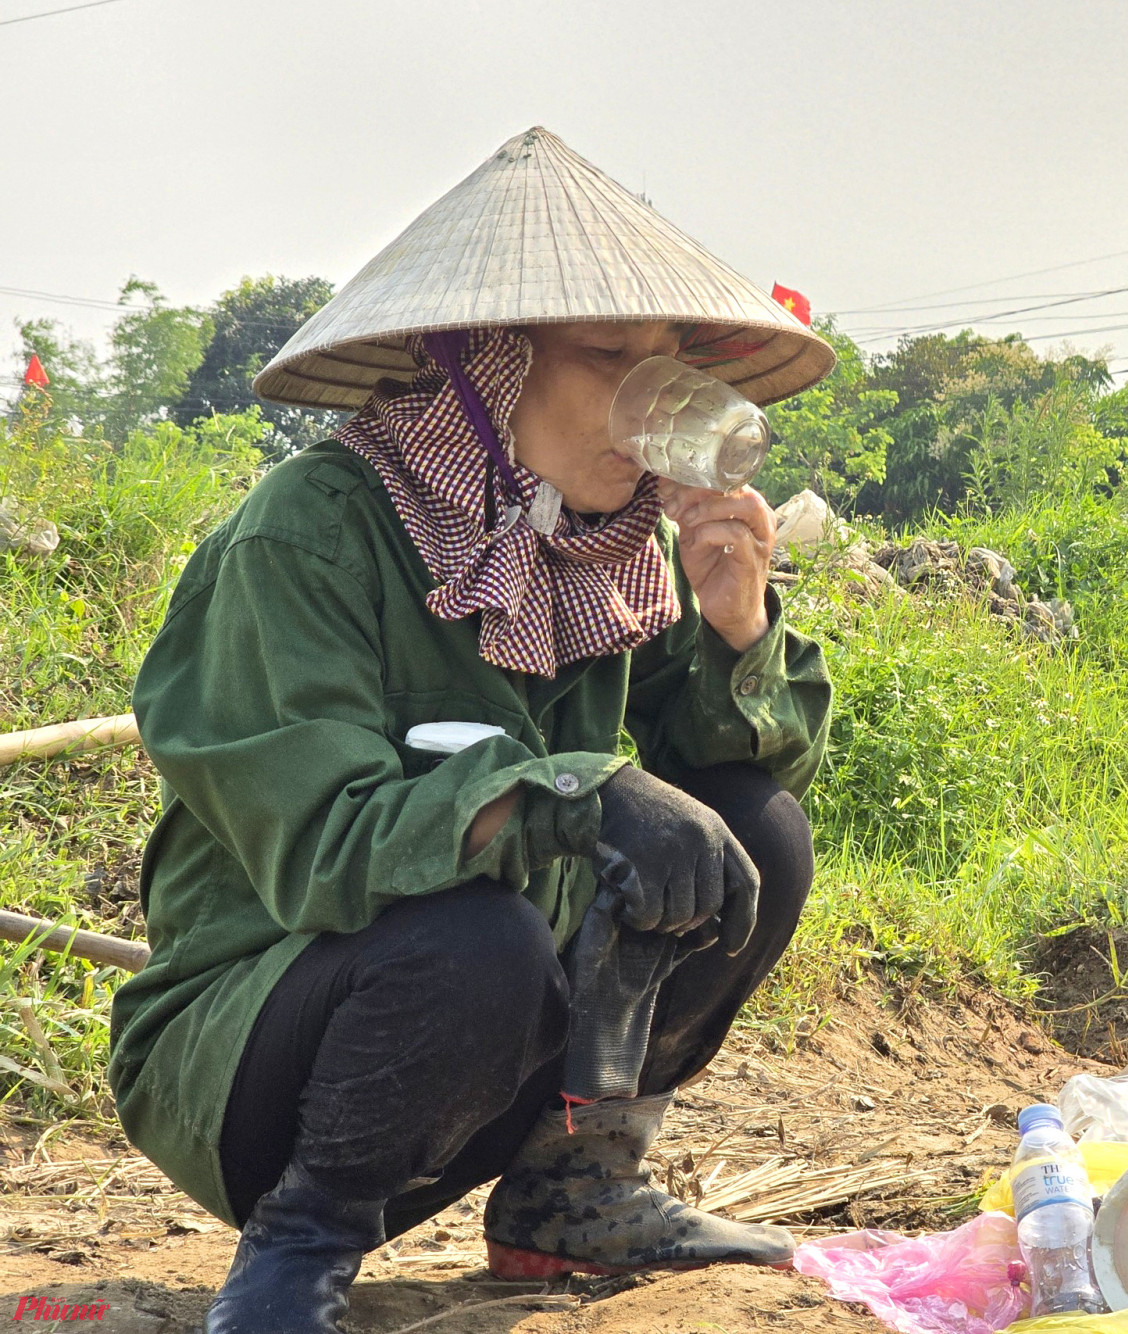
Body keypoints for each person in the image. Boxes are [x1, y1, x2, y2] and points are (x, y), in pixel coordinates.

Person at [106, 127, 837, 1333]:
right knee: (478, 935)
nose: (647, 398)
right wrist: (573, 789)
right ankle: (300, 1251)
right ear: (484, 368)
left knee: (758, 829)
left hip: (499, 1053)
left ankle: (574, 1186)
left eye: (664, 362)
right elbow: (326, 846)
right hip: (271, 1051)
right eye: (607, 354)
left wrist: (732, 624)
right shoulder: (311, 534)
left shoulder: (607, 547)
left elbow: (741, 761)